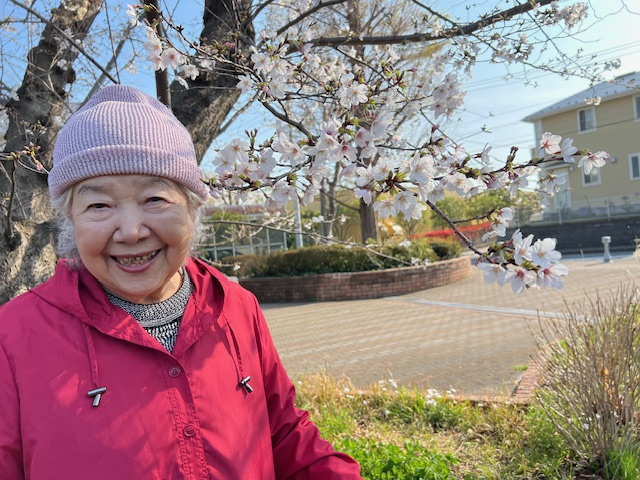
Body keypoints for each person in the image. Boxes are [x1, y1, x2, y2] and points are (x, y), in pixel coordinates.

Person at [0, 84, 362, 479]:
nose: (131, 231)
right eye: (99, 205)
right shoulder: (13, 337)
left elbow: (285, 434)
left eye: (154, 199)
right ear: (70, 218)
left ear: (192, 206)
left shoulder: (237, 307)